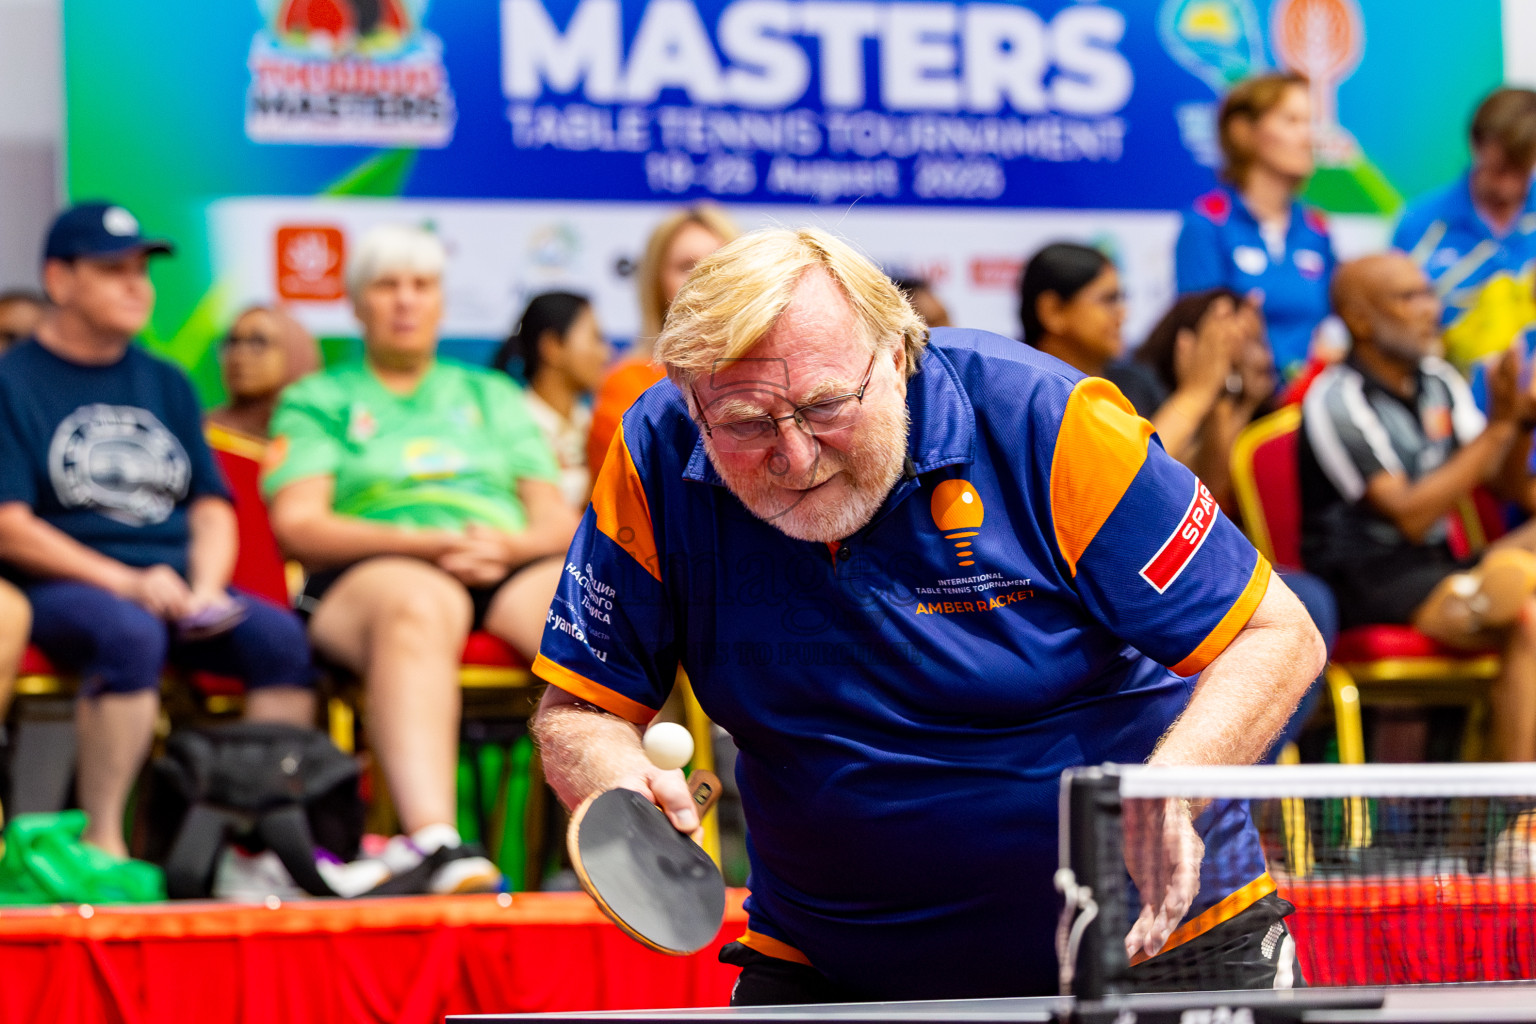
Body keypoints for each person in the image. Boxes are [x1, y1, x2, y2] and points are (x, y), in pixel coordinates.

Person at [530, 227, 1324, 1002]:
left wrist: (1171, 790)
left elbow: (1275, 634)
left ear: (900, 353)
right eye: (743, 425)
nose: (796, 457)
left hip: (1154, 941)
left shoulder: (1045, 419)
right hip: (832, 960)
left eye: (827, 405)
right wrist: (617, 785)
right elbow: (579, 711)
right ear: (691, 402)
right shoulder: (656, 451)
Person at [264, 224, 580, 893]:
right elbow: (298, 525)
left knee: (583, 608)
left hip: (502, 561)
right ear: (356, 303)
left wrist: (507, 547)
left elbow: (555, 519)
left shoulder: (493, 396)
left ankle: (616, 828)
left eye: (421, 285)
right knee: (421, 601)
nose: (405, 301)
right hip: (368, 576)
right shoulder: (317, 398)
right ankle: (436, 845)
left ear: (441, 301)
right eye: (387, 285)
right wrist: (425, 545)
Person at [0, 202, 317, 856]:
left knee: (280, 640)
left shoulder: (165, 379)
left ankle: (254, 849)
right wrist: (126, 579)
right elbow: (11, 527)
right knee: (129, 634)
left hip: (173, 584)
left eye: (142, 269)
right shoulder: (13, 380)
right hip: (65, 581)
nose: (136, 285)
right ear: (59, 280)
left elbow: (210, 505)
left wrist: (204, 586)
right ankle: (104, 843)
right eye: (113, 269)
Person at [1300, 252, 1536, 762]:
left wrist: (1520, 424)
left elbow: (1505, 487)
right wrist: (1496, 429)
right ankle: (1521, 819)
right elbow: (1408, 515)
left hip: (1434, 565)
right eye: (1409, 297)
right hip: (1368, 576)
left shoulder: (1440, 382)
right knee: (1527, 620)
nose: (1431, 309)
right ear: (1360, 319)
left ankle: (1494, 585)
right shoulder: (1335, 397)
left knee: (1522, 590)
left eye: (1429, 293)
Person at [1020, 242, 1250, 469]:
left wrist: (1216, 393)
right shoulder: (1024, 394)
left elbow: (1196, 480)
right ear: (1052, 311)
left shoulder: (1136, 382)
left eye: (1121, 299)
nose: (1123, 313)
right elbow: (1127, 479)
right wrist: (1194, 395)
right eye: (1108, 299)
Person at [1176, 72, 1337, 384]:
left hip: (1311, 409)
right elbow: (1203, 339)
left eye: (1310, 122)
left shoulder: (1316, 227)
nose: (1309, 136)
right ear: (1242, 132)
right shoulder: (1207, 224)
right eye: (1292, 121)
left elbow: (1331, 328)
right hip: (1239, 409)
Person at [585, 205, 739, 480]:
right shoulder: (627, 385)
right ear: (657, 284)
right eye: (686, 266)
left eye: (719, 264)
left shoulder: (776, 372)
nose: (704, 277)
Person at [1393, 88, 1536, 369]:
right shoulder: (1422, 223)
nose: (1507, 185)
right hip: (1447, 400)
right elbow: (1392, 323)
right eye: (1499, 169)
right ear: (1477, 145)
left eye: (1520, 171)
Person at [493, 291, 611, 509]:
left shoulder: (597, 425)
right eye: (596, 338)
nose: (606, 353)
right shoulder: (509, 427)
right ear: (553, 346)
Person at [206, 305, 321, 442]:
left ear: (294, 353)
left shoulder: (316, 436)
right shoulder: (203, 432)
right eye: (233, 342)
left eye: (258, 341)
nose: (239, 355)